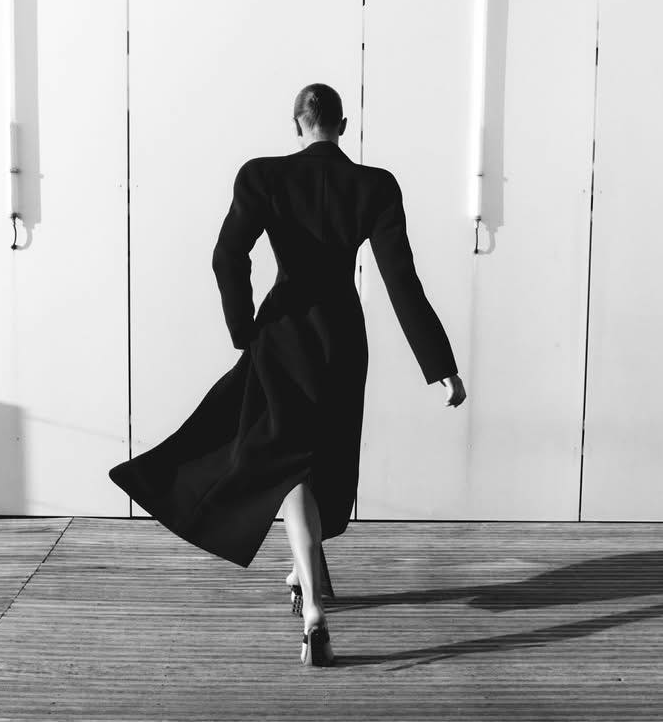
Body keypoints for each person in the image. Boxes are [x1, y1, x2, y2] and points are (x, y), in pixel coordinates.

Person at [109, 83, 466, 667]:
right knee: (316, 458)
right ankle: (306, 579)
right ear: (343, 125)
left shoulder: (262, 176)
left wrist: (242, 328)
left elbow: (227, 256)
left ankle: (312, 605)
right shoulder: (375, 185)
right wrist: (439, 365)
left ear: (296, 123)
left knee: (288, 459)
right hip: (342, 337)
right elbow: (401, 279)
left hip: (282, 334)